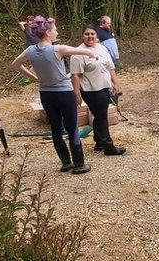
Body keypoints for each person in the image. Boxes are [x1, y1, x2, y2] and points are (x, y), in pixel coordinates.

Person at [10, 16, 99, 174]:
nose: (57, 32)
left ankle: (66, 163)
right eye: (55, 30)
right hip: (64, 94)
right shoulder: (57, 49)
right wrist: (91, 54)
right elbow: (82, 51)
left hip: (46, 94)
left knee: (56, 129)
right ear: (47, 33)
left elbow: (15, 65)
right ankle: (79, 164)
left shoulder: (30, 50)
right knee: (72, 128)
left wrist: (35, 78)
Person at [70, 25, 125, 156]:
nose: (90, 36)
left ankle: (99, 142)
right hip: (91, 90)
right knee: (101, 117)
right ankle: (108, 146)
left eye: (92, 34)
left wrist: (116, 83)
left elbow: (111, 68)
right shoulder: (78, 53)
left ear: (96, 35)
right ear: (82, 36)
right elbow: (75, 75)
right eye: (87, 34)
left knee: (100, 115)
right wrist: (77, 93)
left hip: (105, 87)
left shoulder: (102, 48)